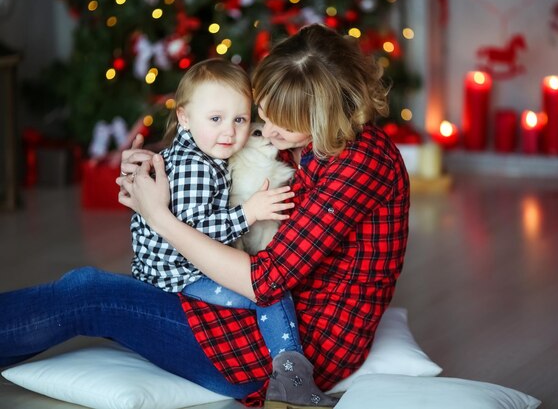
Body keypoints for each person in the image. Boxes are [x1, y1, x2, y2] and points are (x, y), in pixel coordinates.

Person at [0, 23, 408, 409]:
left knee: (88, 294)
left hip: (291, 344)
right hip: (250, 306)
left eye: (284, 120)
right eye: (262, 108)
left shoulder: (361, 162)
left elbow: (265, 282)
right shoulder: (302, 137)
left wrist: (159, 216)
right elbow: (220, 141)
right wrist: (158, 166)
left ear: (325, 115)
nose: (266, 127)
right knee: (91, 292)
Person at [129, 58, 335, 407]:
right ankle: (292, 381)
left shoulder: (199, 150)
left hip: (176, 268)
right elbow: (192, 232)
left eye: (240, 120)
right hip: (178, 275)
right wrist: (247, 214)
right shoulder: (196, 167)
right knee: (268, 293)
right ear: (184, 117)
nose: (229, 132)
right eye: (216, 119)